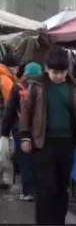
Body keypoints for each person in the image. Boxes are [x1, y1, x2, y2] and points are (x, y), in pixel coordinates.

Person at [19, 47, 76, 224]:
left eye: (62, 72)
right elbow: (26, 111)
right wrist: (25, 136)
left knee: (62, 188)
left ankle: (58, 221)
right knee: (46, 188)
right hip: (43, 143)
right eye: (55, 72)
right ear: (46, 68)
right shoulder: (37, 85)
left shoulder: (75, 87)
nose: (59, 76)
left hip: (66, 143)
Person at [1, 62, 42, 201]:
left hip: (21, 130)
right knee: (39, 160)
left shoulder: (17, 87)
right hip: (40, 130)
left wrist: (4, 132)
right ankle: (40, 191)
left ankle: (28, 192)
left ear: (25, 73)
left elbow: (10, 110)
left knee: (25, 161)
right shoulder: (44, 87)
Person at [0, 54, 20, 189]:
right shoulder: (5, 79)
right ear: (12, 67)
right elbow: (10, 101)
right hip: (1, 114)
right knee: (3, 149)